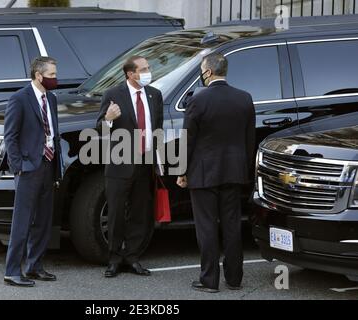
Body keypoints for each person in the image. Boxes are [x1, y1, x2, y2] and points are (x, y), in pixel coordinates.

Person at [177, 53, 255, 293]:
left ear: (208, 72)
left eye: (202, 69)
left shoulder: (198, 101)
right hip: (233, 172)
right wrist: (246, 171)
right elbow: (249, 140)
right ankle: (234, 278)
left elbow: (187, 140)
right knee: (232, 225)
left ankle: (209, 280)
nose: (201, 73)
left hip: (203, 173)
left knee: (207, 226)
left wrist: (182, 171)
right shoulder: (244, 98)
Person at [96, 55, 163, 278]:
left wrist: (158, 160)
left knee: (140, 213)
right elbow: (100, 130)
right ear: (130, 74)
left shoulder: (154, 95)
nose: (148, 71)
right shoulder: (113, 94)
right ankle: (114, 259)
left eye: (148, 67)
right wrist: (108, 118)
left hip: (145, 164)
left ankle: (132, 257)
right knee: (115, 214)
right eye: (143, 69)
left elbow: (157, 129)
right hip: (119, 165)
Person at [4, 56, 62, 287]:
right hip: (28, 168)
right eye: (51, 75)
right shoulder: (19, 99)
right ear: (39, 76)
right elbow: (10, 136)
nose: (55, 79)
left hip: (48, 165)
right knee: (22, 221)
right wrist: (18, 167)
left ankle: (34, 266)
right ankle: (12, 271)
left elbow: (53, 132)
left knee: (43, 220)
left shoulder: (52, 99)